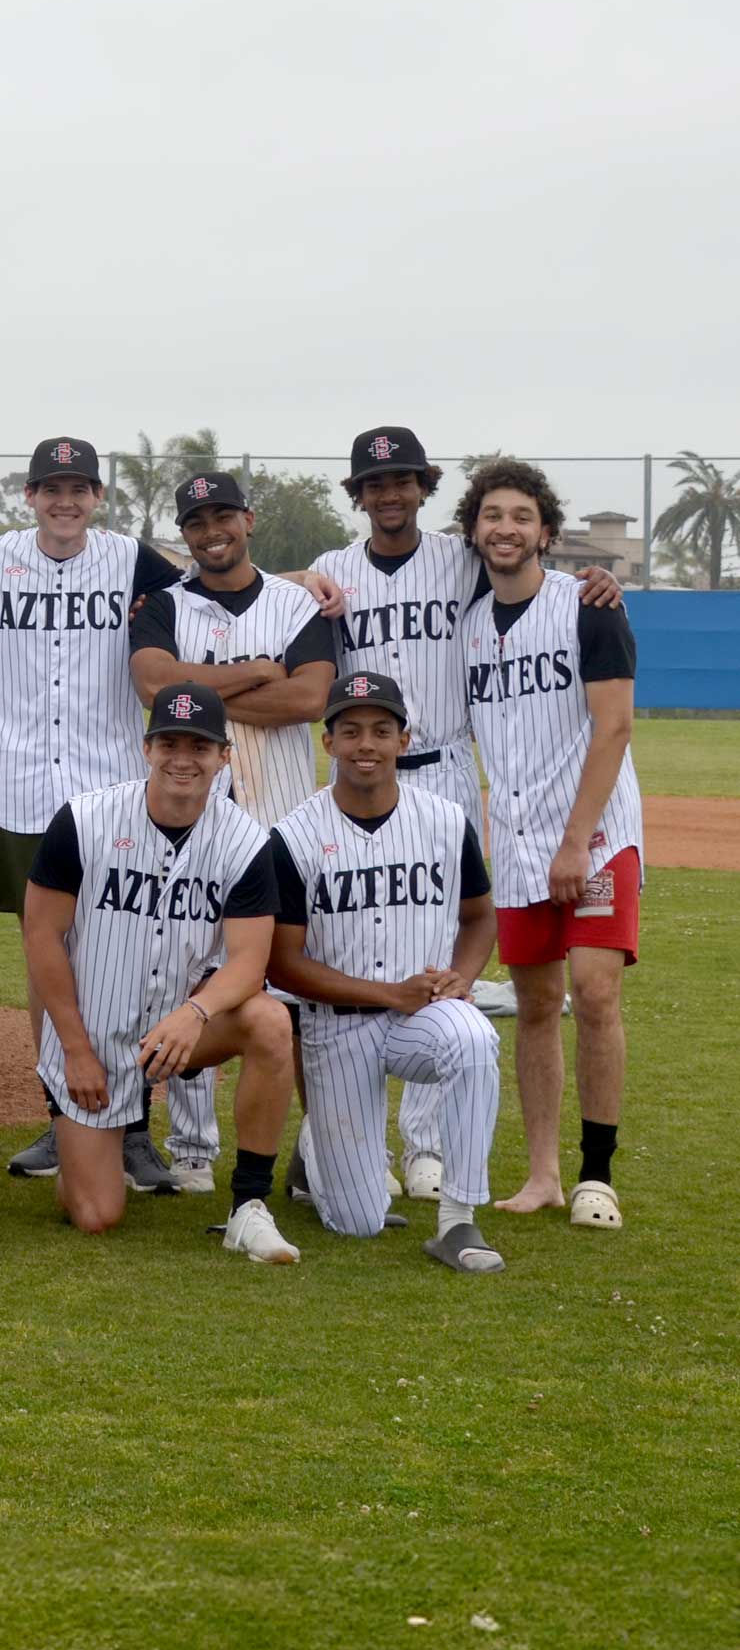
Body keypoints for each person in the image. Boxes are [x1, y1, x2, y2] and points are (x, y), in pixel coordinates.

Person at [302, 424, 621, 1198]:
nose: (390, 493)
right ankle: (348, 1141)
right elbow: (264, 586)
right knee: (355, 948)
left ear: (423, 489)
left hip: (442, 769)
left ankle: (428, 1146)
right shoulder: (331, 572)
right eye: (375, 483)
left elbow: (531, 567)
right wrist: (294, 576)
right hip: (359, 771)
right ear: (359, 495)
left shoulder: (461, 559)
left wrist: (598, 578)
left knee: (443, 959)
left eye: (403, 480)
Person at [0, 437, 187, 1191]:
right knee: (43, 947)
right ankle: (61, 1115)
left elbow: (213, 586)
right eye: (51, 488)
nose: (65, 501)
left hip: (113, 784)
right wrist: (3, 645)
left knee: (130, 949)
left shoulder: (131, 560)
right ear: (29, 496)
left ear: (96, 498)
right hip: (24, 786)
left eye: (79, 488)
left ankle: (134, 1127)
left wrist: (298, 579)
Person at [22, 683, 298, 1262]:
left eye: (198, 746)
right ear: (146, 748)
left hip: (181, 1030)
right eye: (168, 742)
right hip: (95, 1036)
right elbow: (42, 934)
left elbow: (251, 959)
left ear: (224, 755)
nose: (182, 758)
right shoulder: (85, 819)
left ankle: (249, 1206)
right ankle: (87, 1154)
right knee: (96, 1215)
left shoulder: (245, 841)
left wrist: (197, 1013)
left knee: (271, 1022)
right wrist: (73, 1048)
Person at [130, 469, 334, 1191]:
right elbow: (156, 687)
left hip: (282, 822)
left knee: (300, 984)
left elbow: (312, 697)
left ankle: (322, 1145)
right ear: (184, 534)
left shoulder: (294, 602)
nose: (210, 530)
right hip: (195, 825)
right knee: (192, 971)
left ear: (248, 520)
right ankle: (192, 1146)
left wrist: (200, 698)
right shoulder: (164, 605)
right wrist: (253, 670)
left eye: (223, 516)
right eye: (195, 522)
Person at [266, 672, 505, 1271]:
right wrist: (387, 993)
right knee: (358, 1223)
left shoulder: (448, 822)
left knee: (474, 1038)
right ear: (329, 744)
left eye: (380, 730)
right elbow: (283, 963)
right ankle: (316, 1147)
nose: (365, 744)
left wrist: (463, 976)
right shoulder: (295, 836)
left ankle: (458, 1223)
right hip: (336, 1024)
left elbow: (480, 917)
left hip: (423, 1015)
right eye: (350, 731)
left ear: (404, 739)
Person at [459, 460, 643, 1229]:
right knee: (535, 1004)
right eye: (491, 514)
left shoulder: (588, 607)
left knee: (594, 994)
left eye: (521, 515)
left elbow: (616, 727)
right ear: (475, 530)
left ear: (546, 532)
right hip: (521, 842)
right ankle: (541, 1176)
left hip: (596, 838)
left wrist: (576, 843)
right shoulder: (467, 623)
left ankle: (596, 1175)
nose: (506, 527)